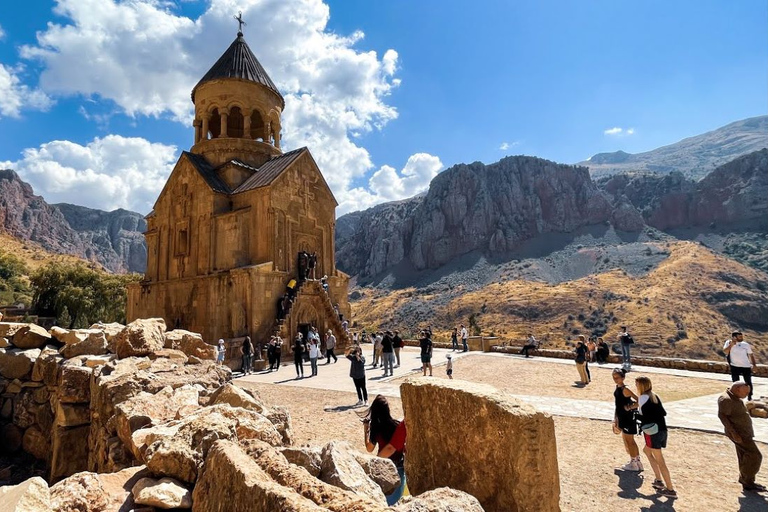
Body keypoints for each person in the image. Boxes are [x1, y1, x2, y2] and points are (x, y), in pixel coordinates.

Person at [627, 376, 676, 497]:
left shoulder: (643, 397)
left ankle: (670, 489)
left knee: (660, 460)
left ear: (641, 386)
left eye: (637, 384)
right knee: (646, 451)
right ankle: (658, 480)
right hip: (661, 429)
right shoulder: (653, 395)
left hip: (652, 432)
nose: (636, 387)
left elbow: (642, 413)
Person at [718, 382, 765, 492]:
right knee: (755, 456)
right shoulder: (726, 399)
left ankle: (745, 479)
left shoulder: (735, 397)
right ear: (738, 388)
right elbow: (722, 416)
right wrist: (734, 433)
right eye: (746, 392)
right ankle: (748, 482)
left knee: (745, 455)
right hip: (739, 433)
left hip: (744, 432)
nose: (747, 394)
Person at [362, 396, 407, 505]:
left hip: (383, 466)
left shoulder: (376, 428)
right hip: (399, 465)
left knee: (385, 501)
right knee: (396, 501)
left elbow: (369, 448)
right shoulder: (397, 425)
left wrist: (365, 430)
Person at [612, 368, 642, 472]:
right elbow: (618, 404)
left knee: (629, 441)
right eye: (614, 377)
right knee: (629, 440)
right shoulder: (618, 388)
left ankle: (633, 463)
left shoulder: (625, 389)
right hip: (622, 417)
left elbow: (639, 400)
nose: (615, 379)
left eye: (617, 377)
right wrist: (616, 418)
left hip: (628, 418)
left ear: (623, 378)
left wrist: (630, 407)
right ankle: (637, 462)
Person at [724, 332, 758, 401]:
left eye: (742, 336)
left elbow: (751, 355)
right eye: (740, 337)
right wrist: (731, 345)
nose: (742, 338)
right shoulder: (728, 343)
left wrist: (754, 365)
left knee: (748, 382)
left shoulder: (745, 345)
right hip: (734, 366)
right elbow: (726, 352)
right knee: (735, 383)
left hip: (745, 366)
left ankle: (749, 396)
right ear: (734, 337)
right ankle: (736, 397)